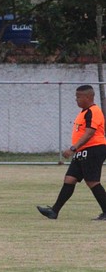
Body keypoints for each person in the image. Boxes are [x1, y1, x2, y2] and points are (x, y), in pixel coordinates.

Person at [37, 85, 106, 221]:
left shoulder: (93, 111)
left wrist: (73, 148)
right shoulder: (84, 112)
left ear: (88, 97)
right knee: (69, 179)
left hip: (94, 149)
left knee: (92, 181)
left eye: (79, 97)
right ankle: (54, 211)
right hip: (83, 151)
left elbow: (89, 133)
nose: (76, 99)